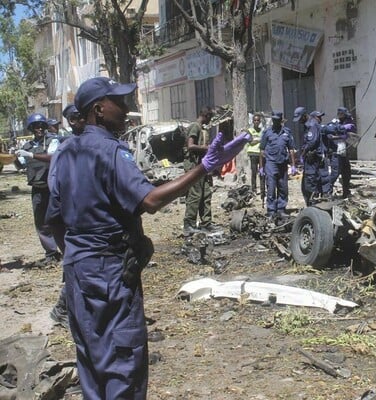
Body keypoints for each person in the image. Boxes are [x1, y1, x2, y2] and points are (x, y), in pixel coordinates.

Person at [45, 76, 250, 399]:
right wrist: (206, 167)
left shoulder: (65, 153)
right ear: (99, 109)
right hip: (110, 272)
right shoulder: (111, 151)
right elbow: (151, 201)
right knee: (122, 364)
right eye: (120, 103)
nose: (127, 110)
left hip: (77, 271)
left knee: (91, 361)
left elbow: (54, 220)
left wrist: (76, 254)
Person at [48, 104, 86, 330]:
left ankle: (65, 308)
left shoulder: (92, 144)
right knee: (75, 264)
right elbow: (56, 186)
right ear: (72, 121)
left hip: (85, 215)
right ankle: (63, 309)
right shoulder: (66, 149)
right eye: (77, 117)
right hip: (73, 216)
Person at [15, 113, 61, 264]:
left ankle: (68, 251)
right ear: (31, 128)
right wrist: (15, 158)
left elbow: (52, 157)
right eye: (36, 126)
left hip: (54, 187)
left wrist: (30, 155)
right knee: (41, 222)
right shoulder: (27, 146)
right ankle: (51, 253)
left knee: (60, 219)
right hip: (37, 188)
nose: (39, 129)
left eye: (42, 125)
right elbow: (20, 164)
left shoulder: (52, 141)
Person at [183, 107, 215, 235]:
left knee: (206, 194)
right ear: (206, 116)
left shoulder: (203, 129)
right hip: (194, 166)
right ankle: (189, 224)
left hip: (203, 166)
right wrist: (207, 148)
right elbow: (190, 146)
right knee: (195, 195)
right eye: (210, 118)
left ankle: (206, 223)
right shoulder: (195, 127)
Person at [259, 111, 296, 218]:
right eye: (273, 120)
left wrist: (293, 165)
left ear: (281, 121)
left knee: (283, 188)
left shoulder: (287, 132)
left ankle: (281, 209)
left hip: (283, 164)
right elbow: (261, 150)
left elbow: (291, 150)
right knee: (271, 188)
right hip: (270, 163)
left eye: (277, 120)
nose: (275, 122)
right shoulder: (267, 132)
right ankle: (271, 210)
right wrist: (261, 167)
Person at [294, 107, 330, 206]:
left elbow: (312, 142)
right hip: (311, 158)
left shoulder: (312, 124)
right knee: (311, 182)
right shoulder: (308, 125)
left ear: (305, 115)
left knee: (310, 183)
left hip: (313, 158)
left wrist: (303, 154)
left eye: (300, 119)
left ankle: (312, 205)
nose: (299, 121)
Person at [326, 107, 356, 198]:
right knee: (335, 173)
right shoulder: (333, 123)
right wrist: (342, 137)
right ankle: (327, 192)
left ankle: (346, 192)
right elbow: (329, 136)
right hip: (336, 152)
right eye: (345, 117)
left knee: (347, 173)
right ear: (340, 115)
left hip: (344, 153)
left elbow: (351, 131)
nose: (347, 119)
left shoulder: (346, 123)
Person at [246, 113, 263, 194]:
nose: (256, 122)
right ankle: (254, 189)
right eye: (255, 120)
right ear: (252, 121)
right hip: (253, 154)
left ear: (260, 121)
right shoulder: (250, 131)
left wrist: (256, 139)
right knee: (254, 172)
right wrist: (259, 140)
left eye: (258, 120)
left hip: (261, 154)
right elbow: (251, 142)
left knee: (262, 171)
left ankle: (262, 188)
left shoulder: (262, 131)